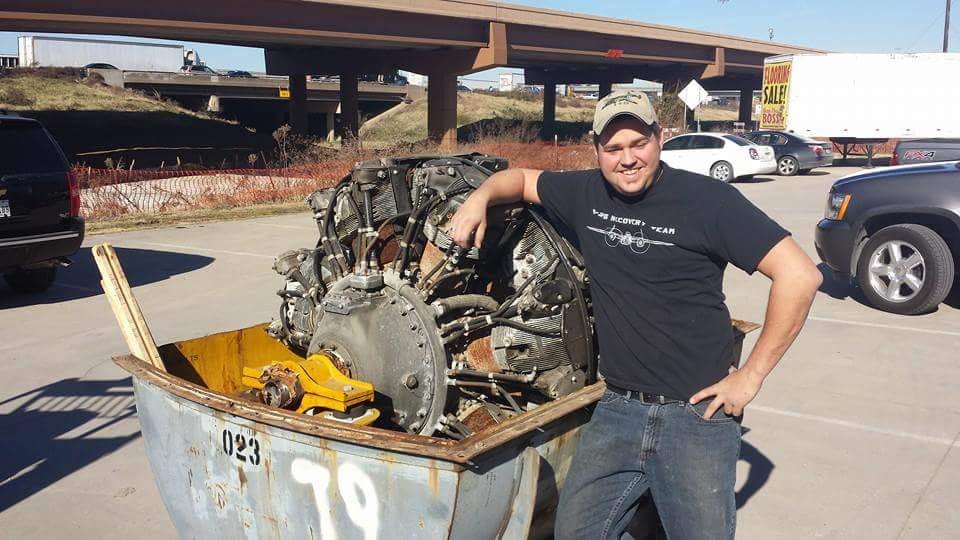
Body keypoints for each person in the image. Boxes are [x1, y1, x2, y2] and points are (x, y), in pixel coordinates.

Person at [449, 90, 822, 539]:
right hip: (618, 410)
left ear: (659, 138)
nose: (627, 159)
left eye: (638, 143)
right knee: (576, 533)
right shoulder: (584, 192)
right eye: (614, 148)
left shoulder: (708, 201)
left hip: (696, 417)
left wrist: (752, 375)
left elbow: (799, 276)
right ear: (597, 150)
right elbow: (524, 179)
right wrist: (479, 198)